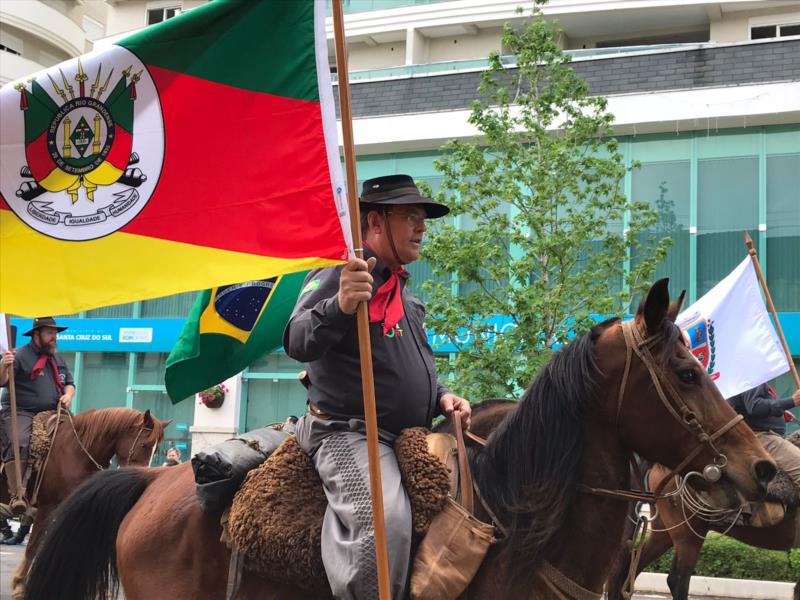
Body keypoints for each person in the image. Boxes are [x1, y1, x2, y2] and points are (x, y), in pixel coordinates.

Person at [284, 174, 471, 599]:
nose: (422, 227)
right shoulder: (340, 273)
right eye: (410, 217)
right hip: (347, 432)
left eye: (422, 218)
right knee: (383, 520)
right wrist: (340, 304)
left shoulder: (404, 294)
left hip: (408, 435)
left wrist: (443, 396)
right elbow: (295, 339)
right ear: (375, 223)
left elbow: (411, 369)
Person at [0, 317, 74, 514]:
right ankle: (18, 494)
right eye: (50, 333)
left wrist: (68, 395)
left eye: (55, 333)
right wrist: (4, 365)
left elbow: (69, 382)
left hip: (53, 411)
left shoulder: (58, 358)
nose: (54, 337)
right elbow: (2, 381)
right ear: (36, 334)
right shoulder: (19, 355)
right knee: (20, 440)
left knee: (75, 438)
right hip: (21, 411)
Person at [728, 382, 800, 492]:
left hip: (762, 435)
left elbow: (747, 407)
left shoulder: (743, 374)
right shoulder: (751, 373)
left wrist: (780, 413)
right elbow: (755, 406)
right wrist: (792, 401)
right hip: (760, 437)